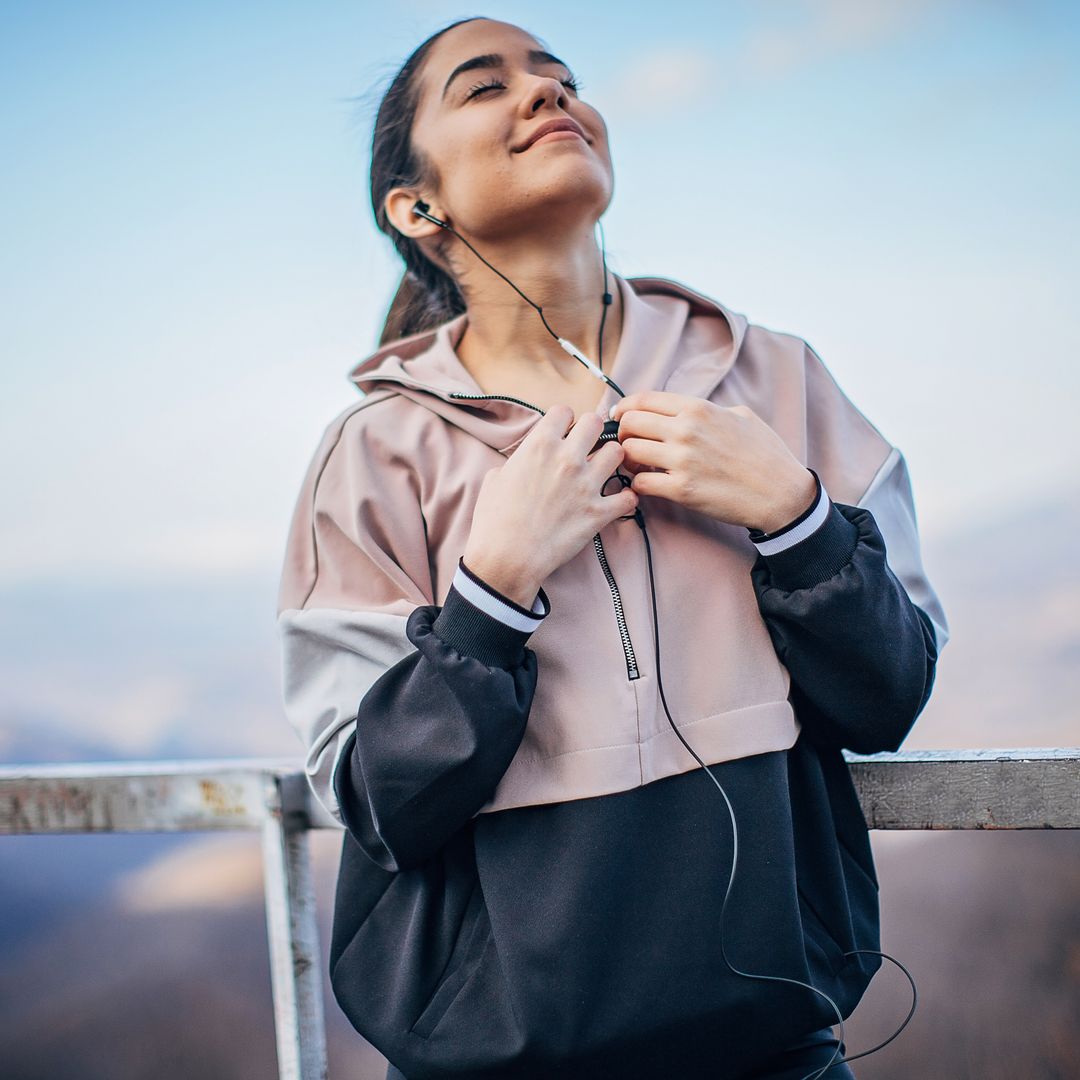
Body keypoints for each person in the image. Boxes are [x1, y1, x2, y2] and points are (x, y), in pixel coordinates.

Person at [276, 15, 949, 1080]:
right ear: (416, 207)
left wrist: (795, 514)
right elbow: (372, 797)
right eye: (485, 86)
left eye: (562, 77)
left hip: (773, 1054)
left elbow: (891, 696)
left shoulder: (776, 379)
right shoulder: (372, 454)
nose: (547, 93)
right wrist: (493, 590)